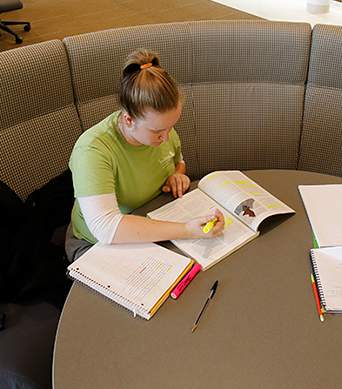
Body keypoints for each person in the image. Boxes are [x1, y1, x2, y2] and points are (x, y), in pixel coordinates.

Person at [66, 49, 225, 261]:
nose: (167, 137)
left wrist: (177, 175)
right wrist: (187, 230)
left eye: (171, 126)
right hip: (97, 242)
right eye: (157, 131)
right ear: (129, 120)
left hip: (153, 221)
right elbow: (106, 228)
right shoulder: (93, 150)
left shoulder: (161, 129)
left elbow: (177, 161)